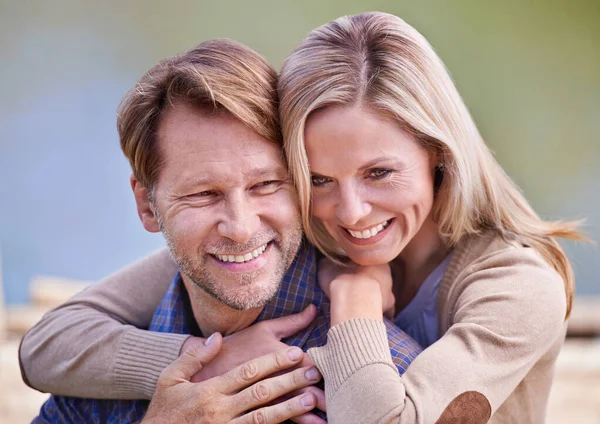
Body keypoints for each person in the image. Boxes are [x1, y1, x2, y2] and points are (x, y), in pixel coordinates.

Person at [21, 11, 582, 423]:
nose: (352, 211)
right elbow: (50, 343)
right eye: (317, 180)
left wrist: (356, 297)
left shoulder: (516, 286)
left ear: (439, 152)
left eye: (380, 173)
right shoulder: (298, 237)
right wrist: (209, 362)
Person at [23, 37, 421, 423]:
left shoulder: (387, 380)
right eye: (203, 194)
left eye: (266, 185)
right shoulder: (101, 373)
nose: (240, 228)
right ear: (147, 206)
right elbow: (41, 348)